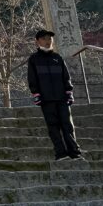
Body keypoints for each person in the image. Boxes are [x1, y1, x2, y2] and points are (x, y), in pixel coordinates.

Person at [27, 28, 85, 161]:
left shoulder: (57, 58)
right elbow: (32, 79)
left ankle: (75, 153)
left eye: (50, 39)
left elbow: (66, 77)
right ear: (37, 42)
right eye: (44, 39)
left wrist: (69, 92)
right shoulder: (34, 59)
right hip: (46, 100)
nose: (48, 41)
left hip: (62, 98)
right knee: (53, 127)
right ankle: (61, 153)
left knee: (67, 125)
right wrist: (36, 94)